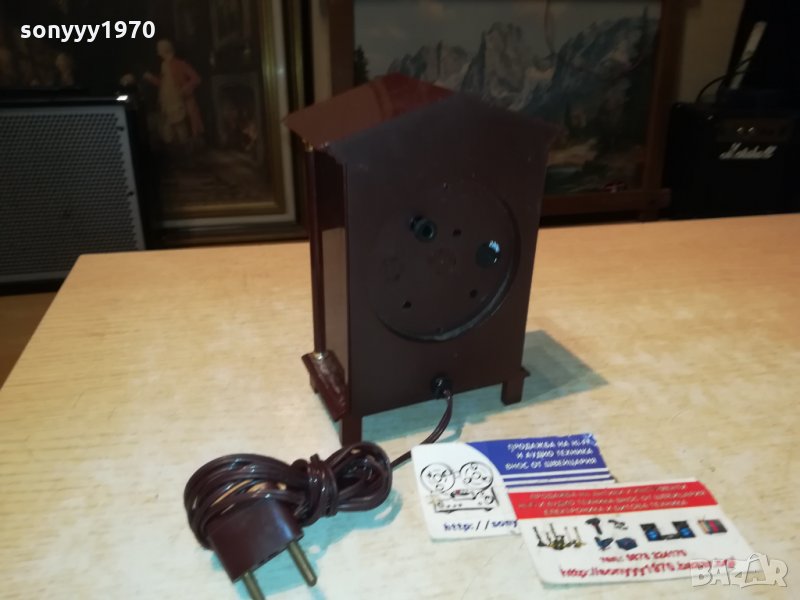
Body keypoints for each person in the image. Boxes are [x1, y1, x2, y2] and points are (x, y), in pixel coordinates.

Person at [143, 39, 204, 147]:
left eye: (159, 49)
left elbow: (196, 78)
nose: (158, 52)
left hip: (177, 102)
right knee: (168, 131)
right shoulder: (164, 65)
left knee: (180, 129)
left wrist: (184, 89)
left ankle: (185, 150)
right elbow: (164, 84)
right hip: (167, 103)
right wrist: (151, 78)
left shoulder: (179, 64)